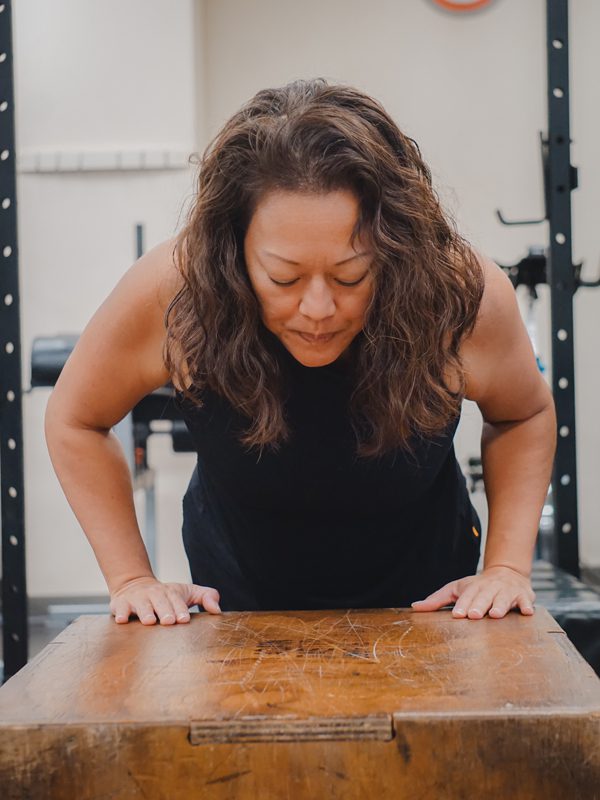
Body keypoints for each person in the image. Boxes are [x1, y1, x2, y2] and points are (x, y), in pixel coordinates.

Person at [45, 78, 555, 626]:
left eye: (350, 275)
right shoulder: (177, 292)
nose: (317, 308)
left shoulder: (458, 295)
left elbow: (523, 414)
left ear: (396, 251)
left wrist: (506, 567)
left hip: (430, 610)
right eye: (283, 278)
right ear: (233, 254)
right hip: (238, 611)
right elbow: (76, 419)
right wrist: (131, 579)